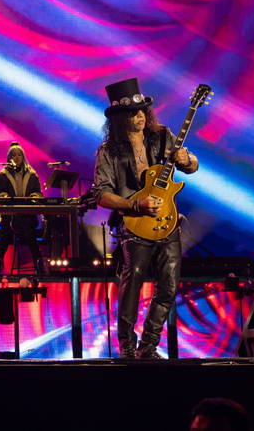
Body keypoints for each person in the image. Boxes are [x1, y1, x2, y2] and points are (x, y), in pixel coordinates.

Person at [92, 78, 198, 360]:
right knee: (133, 282)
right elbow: (101, 194)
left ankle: (149, 345)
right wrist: (135, 204)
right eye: (132, 113)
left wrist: (186, 160)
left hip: (168, 222)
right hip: (135, 225)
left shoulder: (162, 136)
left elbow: (192, 165)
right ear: (119, 118)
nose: (140, 116)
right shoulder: (109, 150)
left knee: (169, 287)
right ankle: (127, 345)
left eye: (142, 111)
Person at [0, 142, 45, 274]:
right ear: (9, 157)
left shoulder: (32, 174)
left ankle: (41, 271)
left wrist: (33, 197)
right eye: (14, 155)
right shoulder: (2, 175)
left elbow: (39, 193)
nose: (17, 157)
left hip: (27, 214)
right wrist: (5, 197)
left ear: (23, 156)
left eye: (19, 154)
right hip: (9, 215)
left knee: (33, 243)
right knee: (3, 243)